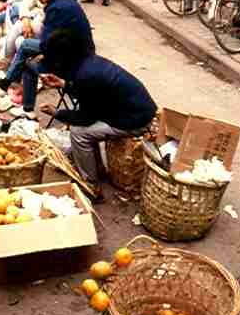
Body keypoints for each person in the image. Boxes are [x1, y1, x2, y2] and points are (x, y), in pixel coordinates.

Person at [39, 28, 157, 198]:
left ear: (62, 58)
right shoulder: (89, 63)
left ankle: (90, 185)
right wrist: (64, 84)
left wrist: (57, 113)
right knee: (85, 128)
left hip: (136, 120)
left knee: (79, 133)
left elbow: (85, 119)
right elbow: (91, 94)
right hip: (134, 109)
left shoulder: (85, 75)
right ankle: (97, 169)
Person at [0, 0, 94, 120]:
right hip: (74, 53)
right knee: (27, 58)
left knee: (25, 47)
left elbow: (48, 45)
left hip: (74, 61)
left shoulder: (58, 7)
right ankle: (18, 95)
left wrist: (41, 56)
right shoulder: (61, 1)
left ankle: (10, 84)